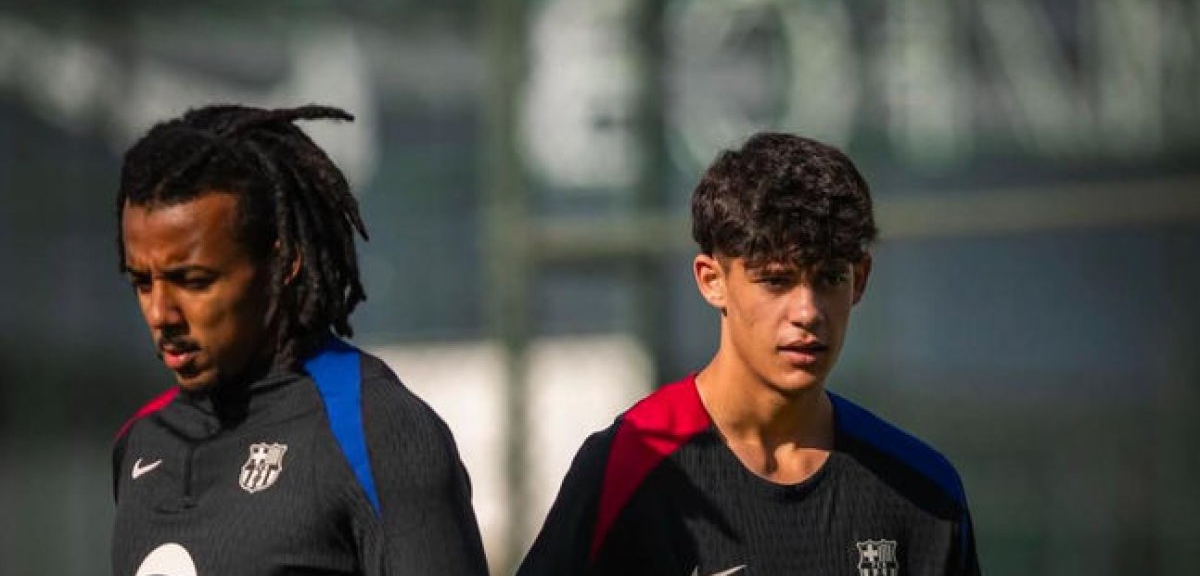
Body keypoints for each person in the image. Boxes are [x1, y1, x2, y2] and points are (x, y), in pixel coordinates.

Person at [517, 133, 981, 576]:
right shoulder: (629, 465)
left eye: (829, 279)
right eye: (776, 280)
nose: (807, 312)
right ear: (711, 280)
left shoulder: (924, 492)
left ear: (859, 280)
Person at [110, 104, 489, 576]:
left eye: (194, 280)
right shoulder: (140, 439)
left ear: (283, 263)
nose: (160, 313)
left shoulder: (372, 429)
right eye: (142, 282)